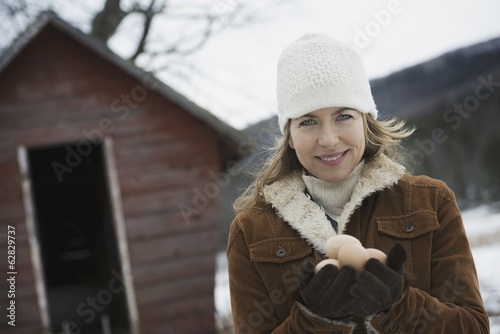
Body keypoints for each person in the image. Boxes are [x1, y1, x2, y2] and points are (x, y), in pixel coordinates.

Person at [227, 33, 489, 333]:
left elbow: (473, 327)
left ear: (365, 120)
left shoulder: (430, 202)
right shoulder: (251, 232)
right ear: (289, 134)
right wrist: (317, 321)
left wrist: (397, 306)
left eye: (343, 116)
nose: (328, 139)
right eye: (308, 121)